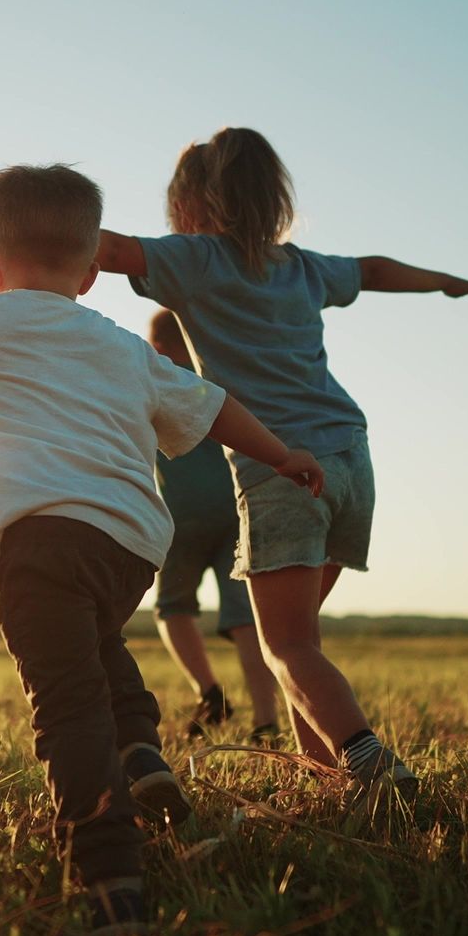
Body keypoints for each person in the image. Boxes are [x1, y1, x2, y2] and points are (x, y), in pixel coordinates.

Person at [0, 128, 468, 816]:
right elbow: (379, 268)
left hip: (283, 467)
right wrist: (449, 283)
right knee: (300, 644)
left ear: (189, 203)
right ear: (274, 199)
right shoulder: (302, 267)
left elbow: (105, 249)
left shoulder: (196, 260)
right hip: (350, 460)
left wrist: (5, 245)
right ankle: (323, 782)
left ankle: (366, 758)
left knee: (288, 646)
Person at [0, 165, 321, 934]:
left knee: (66, 704)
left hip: (31, 542)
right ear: (91, 274)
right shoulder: (120, 345)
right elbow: (214, 407)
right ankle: (142, 752)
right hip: (127, 547)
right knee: (94, 645)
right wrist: (283, 455)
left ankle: (111, 876)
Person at [142, 309, 282, 744]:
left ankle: (210, 692)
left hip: (181, 516)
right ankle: (266, 721)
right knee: (246, 619)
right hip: (237, 510)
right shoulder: (221, 375)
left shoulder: (154, 379)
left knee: (173, 608)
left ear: (160, 345)